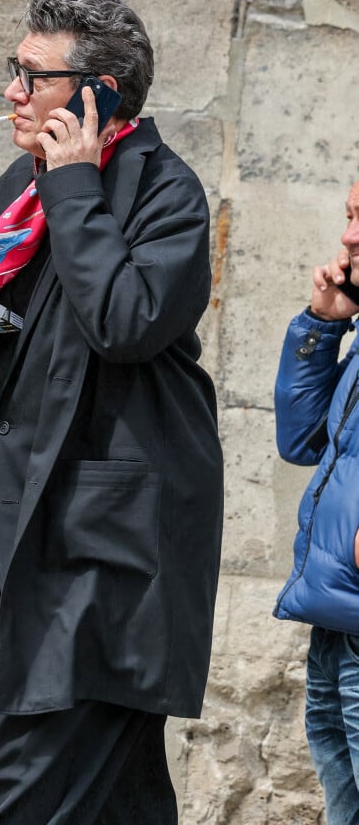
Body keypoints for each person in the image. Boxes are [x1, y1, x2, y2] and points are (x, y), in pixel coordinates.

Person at [0, 0, 224, 824]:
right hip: (45, 535)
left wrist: (72, 185)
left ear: (97, 92)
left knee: (27, 794)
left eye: (33, 75)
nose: (13, 93)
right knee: (116, 800)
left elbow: (126, 322)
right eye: (12, 70)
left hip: (114, 553)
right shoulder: (20, 191)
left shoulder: (163, 191)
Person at [273, 180, 359, 824]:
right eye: (352, 215)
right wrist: (321, 328)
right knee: (341, 800)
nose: (348, 236)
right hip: (336, 617)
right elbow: (304, 439)